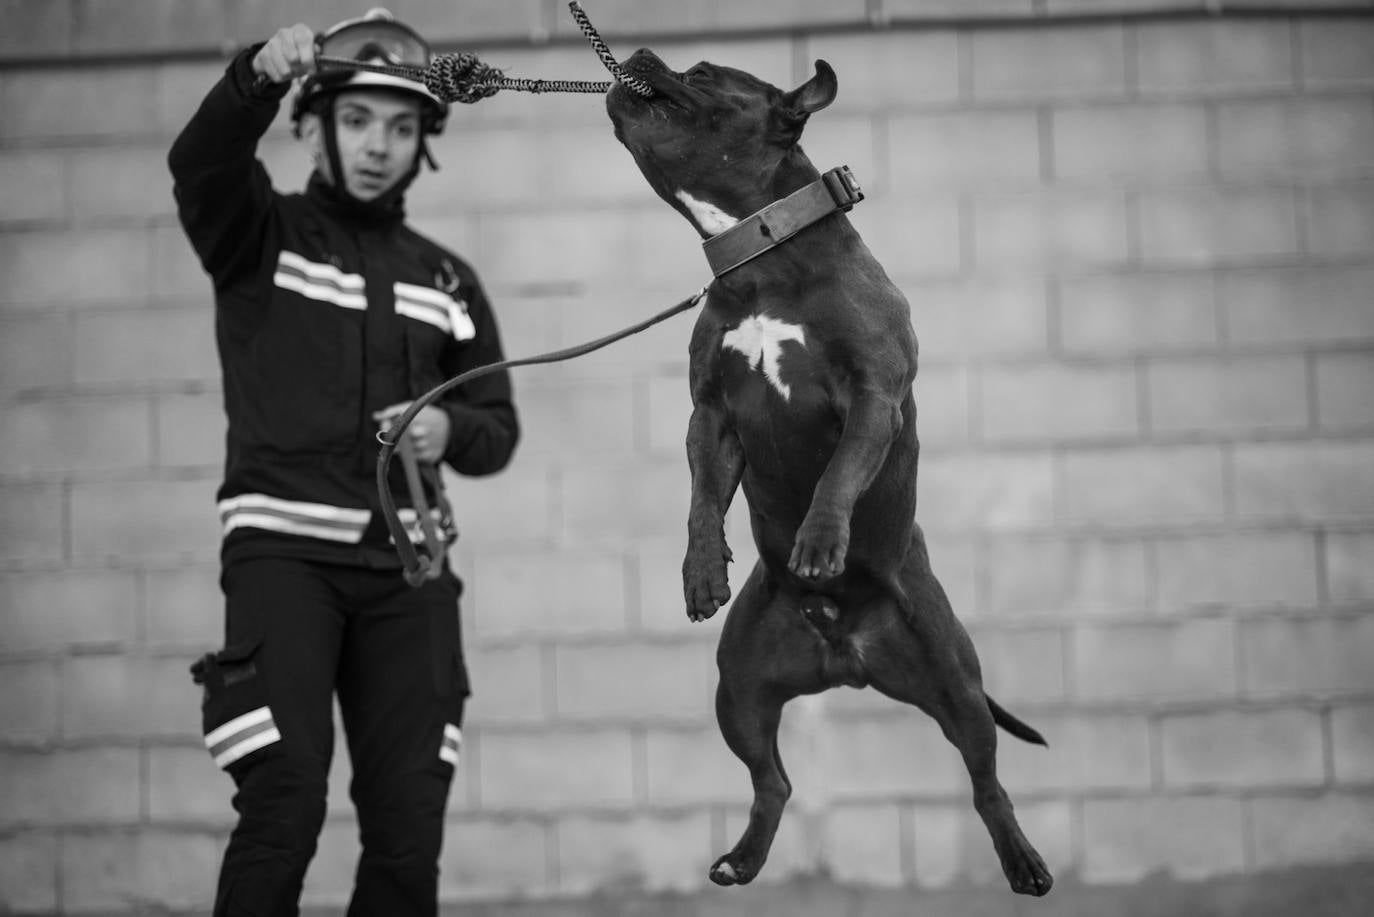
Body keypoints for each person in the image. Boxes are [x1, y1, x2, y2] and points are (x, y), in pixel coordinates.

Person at [168, 9, 518, 915]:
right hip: (283, 560)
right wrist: (255, 75)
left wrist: (450, 434)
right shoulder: (257, 234)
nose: (379, 146)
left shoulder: (448, 281)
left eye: (402, 127)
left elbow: (497, 426)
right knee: (283, 805)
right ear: (315, 124)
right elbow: (199, 165)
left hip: (410, 576)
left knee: (408, 831)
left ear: (423, 143)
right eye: (358, 119)